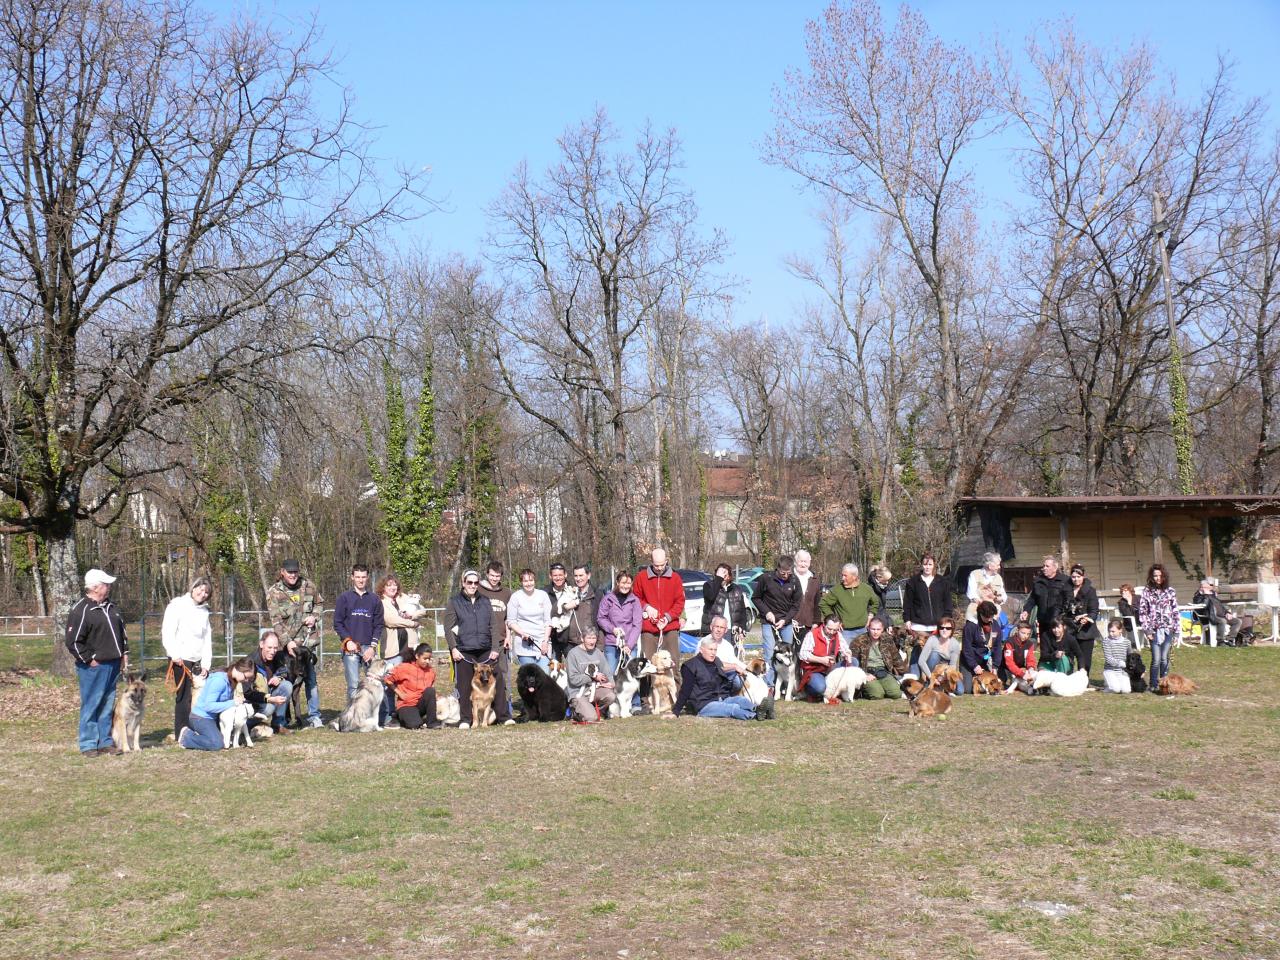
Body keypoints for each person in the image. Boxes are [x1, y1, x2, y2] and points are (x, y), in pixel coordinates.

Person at [65, 569, 128, 757]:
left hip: (113, 664)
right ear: (94, 587)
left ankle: (105, 742)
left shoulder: (112, 607)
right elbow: (73, 641)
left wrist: (124, 654)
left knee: (107, 705)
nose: (108, 588)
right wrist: (89, 659)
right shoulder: (81, 610)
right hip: (94, 667)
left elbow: (122, 634)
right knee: (91, 704)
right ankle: (88, 743)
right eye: (105, 584)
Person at [444, 570, 511, 728]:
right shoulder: (455, 602)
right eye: (470, 582)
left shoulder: (485, 601)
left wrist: (495, 647)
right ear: (463, 583)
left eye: (476, 583)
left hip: (485, 649)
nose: (473, 586)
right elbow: (448, 628)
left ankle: (503, 716)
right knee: (464, 685)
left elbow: (493, 626)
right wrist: (454, 648)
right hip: (464, 650)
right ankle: (466, 719)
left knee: (498, 679)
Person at [266, 558, 324, 729]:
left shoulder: (309, 586)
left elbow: (319, 603)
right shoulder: (273, 592)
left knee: (311, 681)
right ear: (282, 572)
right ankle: (284, 718)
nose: (293, 575)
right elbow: (275, 621)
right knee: (287, 683)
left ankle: (314, 717)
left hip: (307, 644)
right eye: (289, 572)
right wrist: (287, 643)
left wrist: (315, 616)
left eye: (295, 572)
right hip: (288, 647)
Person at [669, 636, 772, 720]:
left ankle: (759, 709)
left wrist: (737, 669)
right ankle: (755, 716)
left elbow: (724, 672)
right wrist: (676, 711)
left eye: (715, 650)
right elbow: (685, 690)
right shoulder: (690, 666)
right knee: (732, 708)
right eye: (710, 649)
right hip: (703, 704)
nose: (713, 652)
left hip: (721, 698)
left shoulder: (716, 661)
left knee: (740, 700)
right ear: (701, 650)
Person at [161, 576, 213, 741]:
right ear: (193, 587)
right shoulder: (177, 605)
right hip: (181, 659)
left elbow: (207, 639)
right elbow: (168, 631)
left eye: (206, 592)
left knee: (199, 697)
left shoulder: (204, 611)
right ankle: (181, 733)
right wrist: (174, 654)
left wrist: (206, 664)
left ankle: (195, 727)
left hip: (197, 660)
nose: (202, 593)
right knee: (184, 698)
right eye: (200, 589)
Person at [333, 564, 385, 705]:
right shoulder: (344, 598)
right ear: (352, 578)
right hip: (350, 648)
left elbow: (379, 625)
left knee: (375, 683)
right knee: (354, 685)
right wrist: (347, 640)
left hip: (369, 647)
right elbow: (337, 623)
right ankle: (352, 717)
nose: (360, 580)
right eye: (357, 577)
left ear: (367, 578)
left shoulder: (374, 599)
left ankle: (376, 716)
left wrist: (372, 647)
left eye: (363, 577)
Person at [178, 657, 255, 751]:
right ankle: (187, 737)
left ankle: (204, 735)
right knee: (217, 744)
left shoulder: (231, 681)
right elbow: (208, 706)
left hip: (214, 717)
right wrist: (233, 702)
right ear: (239, 669)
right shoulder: (219, 681)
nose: (246, 680)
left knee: (225, 739)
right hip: (201, 717)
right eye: (246, 677)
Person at [632, 547, 685, 676]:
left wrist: (668, 617)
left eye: (662, 565)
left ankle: (675, 694)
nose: (660, 568)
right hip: (648, 628)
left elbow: (680, 602)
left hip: (670, 626)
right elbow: (635, 597)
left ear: (666, 561)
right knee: (647, 664)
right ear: (651, 562)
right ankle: (646, 696)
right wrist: (647, 607)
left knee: (673, 663)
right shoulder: (641, 577)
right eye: (656, 565)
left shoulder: (675, 578)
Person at [752, 556, 801, 690]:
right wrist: (767, 612)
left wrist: (785, 619)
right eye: (783, 573)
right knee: (769, 653)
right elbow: (756, 598)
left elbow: (796, 605)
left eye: (788, 573)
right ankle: (770, 686)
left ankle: (787, 685)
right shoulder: (765, 579)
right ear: (777, 568)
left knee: (787, 655)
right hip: (768, 622)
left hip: (786, 622)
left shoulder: (795, 581)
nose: (785, 576)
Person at [1139, 562, 1179, 690]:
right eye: (1155, 575)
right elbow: (1143, 611)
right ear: (1151, 576)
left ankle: (1164, 684)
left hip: (1168, 629)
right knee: (1156, 659)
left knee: (1164, 658)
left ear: (1164, 576)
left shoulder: (1170, 591)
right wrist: (1147, 630)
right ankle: (1153, 684)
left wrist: (1177, 631)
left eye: (1160, 575)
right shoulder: (1147, 591)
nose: (1158, 578)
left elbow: (1175, 611)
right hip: (1154, 630)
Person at [246, 629, 293, 734]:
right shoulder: (250, 662)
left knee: (287, 685)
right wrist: (268, 698)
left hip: (269, 693)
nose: (273, 651)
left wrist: (279, 677)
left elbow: (286, 673)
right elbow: (247, 693)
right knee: (269, 708)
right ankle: (246, 724)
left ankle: (278, 724)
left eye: (275, 648)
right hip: (254, 701)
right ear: (261, 644)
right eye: (270, 647)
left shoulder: (278, 657)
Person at [384, 643, 441, 729]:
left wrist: (438, 697)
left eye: (429, 659)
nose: (427, 661)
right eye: (425, 659)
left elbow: (430, 689)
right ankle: (397, 717)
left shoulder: (430, 671)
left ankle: (432, 722)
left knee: (430, 691)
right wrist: (399, 693)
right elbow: (387, 679)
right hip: (406, 704)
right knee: (415, 725)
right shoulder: (404, 668)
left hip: (420, 704)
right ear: (417, 656)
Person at [1020, 555, 1069, 652]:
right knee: (1045, 646)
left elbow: (1068, 599)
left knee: (1058, 646)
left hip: (1058, 621)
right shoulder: (1038, 581)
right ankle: (1045, 665)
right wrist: (1026, 610)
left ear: (1055, 567)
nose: (1044, 568)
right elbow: (1032, 599)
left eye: (1047, 566)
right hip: (1043, 620)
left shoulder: (1065, 580)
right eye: (1043, 566)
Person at [818, 563, 877, 644]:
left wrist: (871, 616)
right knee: (846, 656)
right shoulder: (837, 590)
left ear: (854, 576)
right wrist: (834, 620)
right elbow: (823, 603)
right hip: (845, 632)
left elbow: (875, 603)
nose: (842, 578)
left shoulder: (866, 589)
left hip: (863, 630)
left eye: (845, 576)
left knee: (863, 656)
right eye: (842, 575)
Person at [798, 613, 853, 700]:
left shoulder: (837, 635)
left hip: (830, 669)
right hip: (813, 670)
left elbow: (845, 649)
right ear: (824, 624)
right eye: (829, 629)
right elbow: (803, 654)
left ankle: (841, 690)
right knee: (820, 688)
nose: (832, 632)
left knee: (853, 661)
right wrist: (821, 660)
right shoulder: (812, 634)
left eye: (835, 630)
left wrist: (847, 654)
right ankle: (809, 690)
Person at [596, 570, 642, 673]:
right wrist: (613, 629)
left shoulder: (635, 601)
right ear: (617, 582)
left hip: (630, 644)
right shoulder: (608, 599)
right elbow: (601, 618)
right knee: (610, 673)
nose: (625, 586)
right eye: (623, 583)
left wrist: (629, 645)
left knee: (632, 676)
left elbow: (637, 624)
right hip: (612, 643)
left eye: (628, 583)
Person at [565, 630, 616, 721]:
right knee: (591, 718)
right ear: (582, 639)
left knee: (611, 696)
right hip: (578, 693)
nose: (592, 641)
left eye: (594, 638)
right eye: (589, 638)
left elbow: (607, 671)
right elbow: (573, 679)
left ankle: (594, 711)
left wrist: (611, 683)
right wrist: (592, 677)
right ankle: (575, 711)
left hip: (594, 690)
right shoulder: (573, 654)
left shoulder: (598, 652)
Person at [508, 568, 553, 668]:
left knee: (544, 678)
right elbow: (511, 621)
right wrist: (522, 633)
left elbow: (548, 621)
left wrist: (545, 641)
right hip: (524, 646)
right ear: (521, 582)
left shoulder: (543, 595)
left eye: (531, 580)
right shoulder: (515, 597)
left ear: (534, 581)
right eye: (525, 581)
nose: (528, 584)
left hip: (542, 644)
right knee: (530, 680)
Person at [850, 617, 902, 700]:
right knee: (877, 695)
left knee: (896, 694)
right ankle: (864, 691)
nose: (875, 632)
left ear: (882, 629)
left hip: (883, 671)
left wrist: (905, 674)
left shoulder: (887, 640)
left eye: (878, 629)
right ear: (868, 628)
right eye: (873, 629)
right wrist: (864, 675)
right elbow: (852, 662)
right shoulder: (858, 641)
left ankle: (882, 686)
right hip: (866, 672)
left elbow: (896, 658)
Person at [902, 553, 955, 634]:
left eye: (930, 564)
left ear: (934, 565)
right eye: (925, 564)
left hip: (939, 625)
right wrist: (907, 619)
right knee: (920, 647)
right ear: (921, 565)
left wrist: (946, 619)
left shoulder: (942, 582)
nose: (927, 567)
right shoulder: (913, 582)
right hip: (918, 625)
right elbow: (907, 603)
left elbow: (948, 602)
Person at [378, 574, 426, 662]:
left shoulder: (403, 597)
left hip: (410, 645)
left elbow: (423, 610)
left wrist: (412, 615)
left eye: (395, 585)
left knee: (410, 674)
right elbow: (390, 620)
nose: (393, 588)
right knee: (394, 674)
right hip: (392, 648)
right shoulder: (380, 602)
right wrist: (413, 623)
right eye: (389, 585)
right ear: (383, 588)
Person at [1065, 564, 1101, 676]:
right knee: (1068, 656)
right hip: (1069, 628)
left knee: (1085, 658)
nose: (1076, 579)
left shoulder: (1090, 591)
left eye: (1079, 577)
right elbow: (1061, 607)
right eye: (1074, 577)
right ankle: (1068, 678)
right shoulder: (1065, 590)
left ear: (1083, 576)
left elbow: (1094, 611)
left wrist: (1087, 618)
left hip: (1086, 630)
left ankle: (1084, 680)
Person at [700, 563, 750, 636]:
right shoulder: (708, 585)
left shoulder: (736, 589)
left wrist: (742, 627)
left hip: (731, 629)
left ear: (729, 576)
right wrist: (718, 579)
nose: (722, 576)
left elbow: (742, 611)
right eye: (720, 574)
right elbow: (711, 597)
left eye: (724, 574)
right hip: (713, 629)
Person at [960, 601, 999, 694]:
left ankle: (979, 681)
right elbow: (966, 648)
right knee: (967, 689)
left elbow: (997, 646)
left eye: (992, 616)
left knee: (999, 680)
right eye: (987, 617)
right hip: (969, 662)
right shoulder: (970, 626)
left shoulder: (995, 624)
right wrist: (974, 665)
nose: (990, 619)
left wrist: (995, 666)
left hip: (984, 661)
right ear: (980, 614)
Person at [1192, 579, 1239, 645]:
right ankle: (1220, 641)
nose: (1211, 587)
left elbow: (1220, 606)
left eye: (1210, 586)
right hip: (1210, 617)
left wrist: (1227, 613)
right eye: (1208, 586)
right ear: (1202, 587)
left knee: (1237, 621)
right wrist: (1206, 595)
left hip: (1221, 616)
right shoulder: (1198, 596)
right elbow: (1203, 606)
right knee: (1222, 621)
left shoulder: (1212, 594)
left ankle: (1230, 640)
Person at [706, 615, 746, 690]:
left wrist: (748, 670)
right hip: (709, 680)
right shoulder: (704, 643)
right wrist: (734, 666)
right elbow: (712, 666)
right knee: (736, 680)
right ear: (711, 627)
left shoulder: (728, 645)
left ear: (726, 630)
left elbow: (735, 661)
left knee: (741, 679)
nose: (719, 630)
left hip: (725, 677)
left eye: (722, 628)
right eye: (716, 626)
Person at [565, 563, 601, 648]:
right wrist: (565, 607)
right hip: (571, 643)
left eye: (581, 575)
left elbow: (601, 620)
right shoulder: (569, 593)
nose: (578, 579)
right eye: (576, 576)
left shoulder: (597, 594)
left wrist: (600, 646)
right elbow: (555, 611)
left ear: (588, 575)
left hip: (590, 643)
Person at [544, 562, 574, 662]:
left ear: (565, 575)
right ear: (550, 576)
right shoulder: (544, 593)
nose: (558, 578)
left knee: (573, 669)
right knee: (553, 671)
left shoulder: (573, 590)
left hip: (569, 638)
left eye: (560, 575)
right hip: (553, 638)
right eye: (555, 575)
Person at [915, 617, 961, 683]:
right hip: (932, 670)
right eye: (942, 628)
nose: (944, 630)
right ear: (938, 629)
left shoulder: (955, 644)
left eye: (948, 628)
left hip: (946, 670)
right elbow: (921, 661)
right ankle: (929, 682)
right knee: (934, 655)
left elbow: (952, 665)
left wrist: (944, 677)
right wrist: (931, 677)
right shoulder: (932, 640)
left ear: (952, 630)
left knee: (959, 690)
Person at [1002, 620, 1039, 694]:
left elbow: (1030, 659)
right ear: (1017, 631)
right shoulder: (1009, 642)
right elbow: (1009, 663)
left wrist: (1031, 669)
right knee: (1003, 684)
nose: (1026, 636)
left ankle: (1032, 689)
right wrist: (1022, 674)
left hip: (1021, 668)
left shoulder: (1030, 644)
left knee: (1031, 677)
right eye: (1023, 633)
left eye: (1028, 634)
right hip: (1006, 669)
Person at [793, 549, 823, 636]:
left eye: (805, 561)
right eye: (801, 561)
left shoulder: (815, 580)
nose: (803, 564)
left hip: (808, 623)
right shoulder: (790, 577)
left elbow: (817, 602)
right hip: (791, 622)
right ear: (795, 562)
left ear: (809, 563)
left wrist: (816, 621)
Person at [1099, 619, 1132, 693]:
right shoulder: (1106, 641)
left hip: (1122, 671)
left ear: (1120, 630)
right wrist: (1121, 663)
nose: (1111, 633)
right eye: (1109, 631)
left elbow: (1130, 656)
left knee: (1126, 691)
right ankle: (1107, 685)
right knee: (1116, 689)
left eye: (1113, 631)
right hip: (1110, 670)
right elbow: (1109, 659)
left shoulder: (1127, 642)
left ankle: (1116, 683)